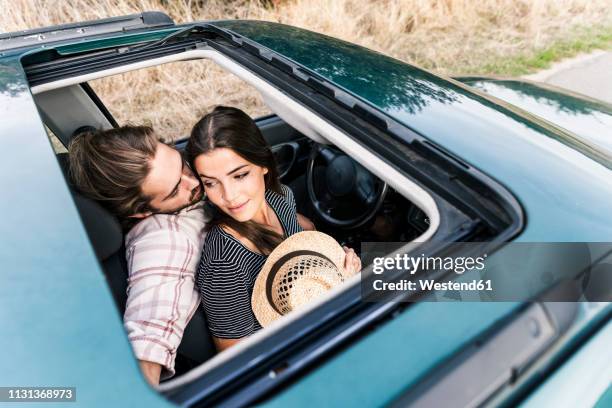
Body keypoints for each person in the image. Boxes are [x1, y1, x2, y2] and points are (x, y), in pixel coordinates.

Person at [186, 106, 361, 351]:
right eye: (211, 183)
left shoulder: (280, 198)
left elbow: (303, 232)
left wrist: (339, 269)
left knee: (418, 272)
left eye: (239, 175)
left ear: (264, 164)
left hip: (333, 308)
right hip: (301, 349)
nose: (229, 196)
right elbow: (237, 361)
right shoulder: (224, 263)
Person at [68, 126, 206, 385]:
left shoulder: (188, 192)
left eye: (182, 166)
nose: (195, 182)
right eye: (175, 190)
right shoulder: (164, 237)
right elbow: (149, 331)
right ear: (141, 212)